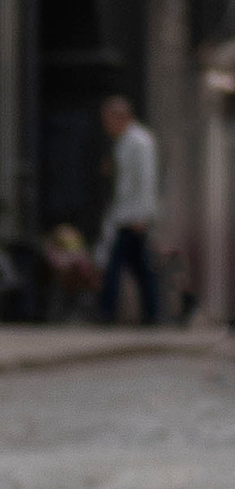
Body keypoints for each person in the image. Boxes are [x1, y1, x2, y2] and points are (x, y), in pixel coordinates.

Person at [98, 95, 161, 325]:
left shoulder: (139, 142)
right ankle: (151, 313)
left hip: (133, 217)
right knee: (140, 268)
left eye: (108, 120)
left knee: (116, 265)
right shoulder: (125, 141)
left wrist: (142, 216)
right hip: (124, 214)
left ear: (121, 117)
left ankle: (107, 311)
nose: (106, 126)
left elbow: (145, 180)